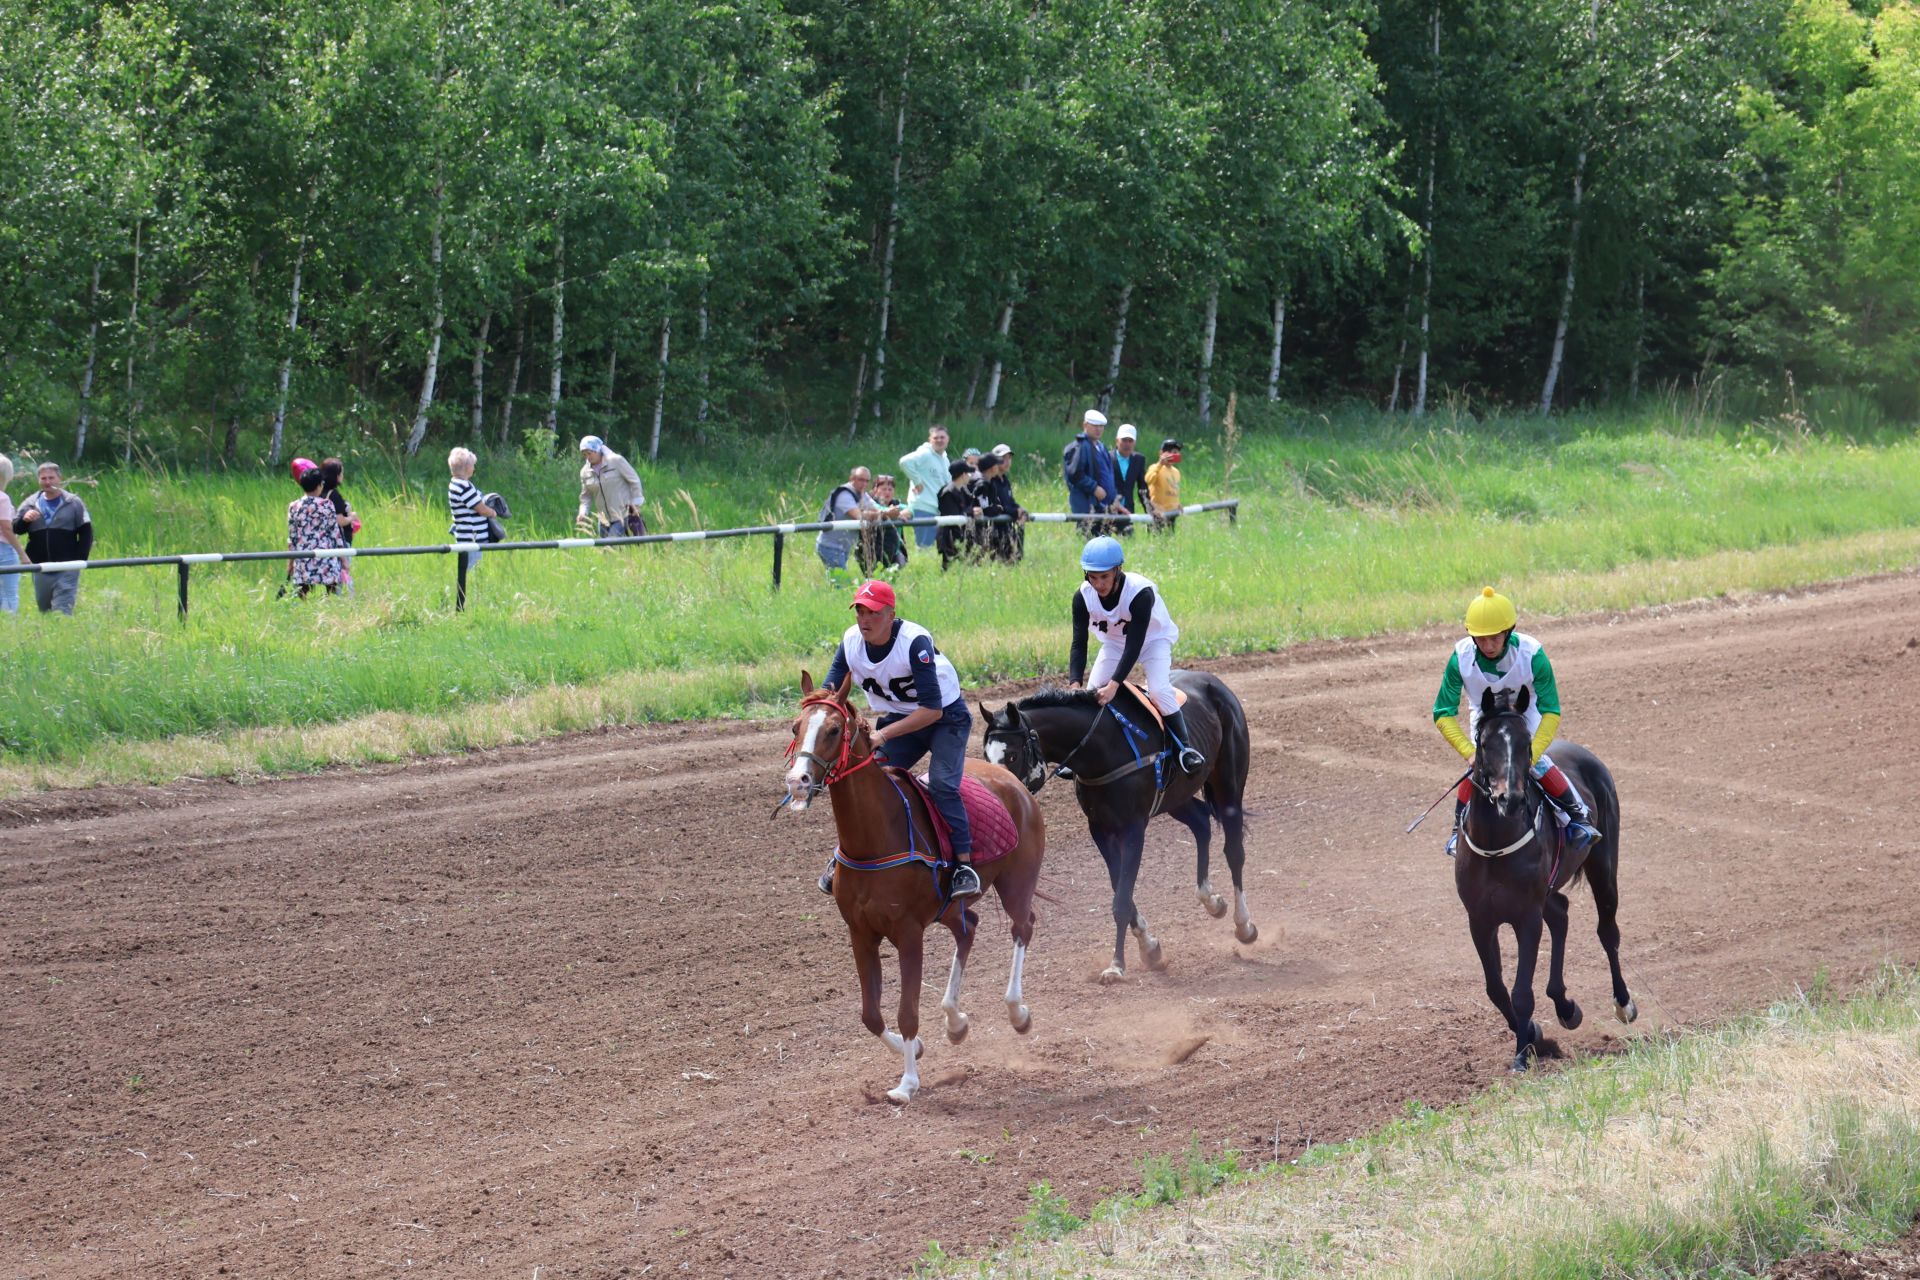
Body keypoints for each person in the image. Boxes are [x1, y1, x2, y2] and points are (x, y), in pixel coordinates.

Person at [817, 578, 979, 899]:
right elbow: (829, 693)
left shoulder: (914, 642)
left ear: (891, 615)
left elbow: (931, 711)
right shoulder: (850, 642)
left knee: (944, 784)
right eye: (860, 611)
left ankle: (963, 865)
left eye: (874, 613)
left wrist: (881, 735)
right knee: (864, 778)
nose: (865, 619)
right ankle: (844, 857)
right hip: (900, 719)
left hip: (945, 718)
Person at [1432, 587, 1600, 858]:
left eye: (1495, 638)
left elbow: (1551, 710)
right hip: (1485, 713)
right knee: (1480, 767)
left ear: (1508, 632)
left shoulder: (1532, 654)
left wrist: (1533, 751)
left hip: (1526, 710)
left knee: (1538, 764)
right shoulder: (1459, 658)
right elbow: (1442, 712)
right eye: (1481, 639)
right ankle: (1456, 831)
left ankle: (1578, 816)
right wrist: (1469, 751)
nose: (1488, 645)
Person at [1069, 535, 1205, 773]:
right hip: (1114, 642)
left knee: (1159, 690)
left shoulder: (1139, 592)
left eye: (1104, 577)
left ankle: (1185, 749)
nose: (1098, 584)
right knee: (1090, 694)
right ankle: (1086, 754)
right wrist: (1074, 683)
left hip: (1153, 641)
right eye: (1093, 577)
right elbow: (1079, 643)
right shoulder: (1082, 597)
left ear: (1118, 570)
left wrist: (1114, 685)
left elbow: (1135, 644)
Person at [13, 462, 92, 615]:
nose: (48, 482)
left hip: (67, 565)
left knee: (62, 610)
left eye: (51, 478)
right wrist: (25, 520)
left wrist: (79, 562)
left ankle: (66, 634)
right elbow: (16, 528)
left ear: (59, 478)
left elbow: (86, 533)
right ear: (38, 480)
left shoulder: (73, 502)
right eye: (43, 478)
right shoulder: (30, 503)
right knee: (45, 610)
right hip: (40, 566)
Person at [815, 466, 885, 583]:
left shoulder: (862, 494)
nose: (864, 484)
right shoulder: (844, 494)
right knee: (842, 584)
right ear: (852, 478)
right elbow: (858, 516)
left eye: (867, 481)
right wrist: (881, 514)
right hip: (830, 546)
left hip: (841, 547)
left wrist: (894, 511)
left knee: (835, 581)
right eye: (861, 480)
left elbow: (877, 508)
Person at [287, 465, 347, 598]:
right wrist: (343, 559)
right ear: (320, 485)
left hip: (303, 559)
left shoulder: (294, 506)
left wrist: (290, 563)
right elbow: (335, 534)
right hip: (326, 559)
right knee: (332, 596)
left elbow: (292, 538)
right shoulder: (327, 505)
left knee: (302, 595)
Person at [575, 435, 646, 537]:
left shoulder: (616, 461)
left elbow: (634, 481)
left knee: (611, 545)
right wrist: (582, 512)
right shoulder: (584, 472)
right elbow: (586, 496)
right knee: (607, 550)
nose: (587, 457)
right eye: (584, 454)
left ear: (598, 450)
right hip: (603, 519)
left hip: (623, 514)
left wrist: (636, 504)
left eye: (589, 453)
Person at [1062, 409, 1117, 538]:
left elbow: (1108, 475)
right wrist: (1094, 488)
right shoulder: (1079, 446)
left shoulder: (1101, 447)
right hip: (1087, 506)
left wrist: (1113, 499)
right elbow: (1074, 474)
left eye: (1101, 426)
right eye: (1095, 426)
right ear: (1085, 425)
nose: (1098, 429)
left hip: (1103, 507)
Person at [898, 425, 951, 551]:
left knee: (935, 549)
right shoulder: (925, 453)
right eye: (935, 438)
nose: (939, 440)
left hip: (937, 509)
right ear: (930, 439)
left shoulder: (945, 458)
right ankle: (919, 569)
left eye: (942, 437)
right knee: (924, 547)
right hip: (923, 507)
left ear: (948, 439)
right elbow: (904, 462)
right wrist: (917, 481)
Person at [446, 447, 497, 575]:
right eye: (473, 465)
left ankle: (459, 592)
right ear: (467, 467)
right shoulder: (464, 486)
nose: (474, 468)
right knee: (469, 572)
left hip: (466, 536)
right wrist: (492, 512)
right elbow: (480, 509)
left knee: (468, 570)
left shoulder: (455, 483)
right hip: (472, 538)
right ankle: (458, 593)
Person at [977, 446, 1027, 563]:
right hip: (992, 529)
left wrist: (1019, 509)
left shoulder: (1004, 480)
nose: (1007, 462)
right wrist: (1014, 512)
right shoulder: (989, 482)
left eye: (1009, 458)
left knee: (1012, 562)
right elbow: (994, 506)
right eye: (1003, 458)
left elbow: (1009, 501)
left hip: (1007, 528)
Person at [319, 458, 359, 594]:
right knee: (343, 570)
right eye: (341, 473)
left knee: (334, 573)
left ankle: (335, 596)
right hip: (339, 541)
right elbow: (339, 520)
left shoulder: (320, 493)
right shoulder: (333, 495)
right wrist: (352, 517)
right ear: (336, 475)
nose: (342, 476)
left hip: (325, 540)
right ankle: (342, 598)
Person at [858, 474, 910, 577]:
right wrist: (890, 513)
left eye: (890, 489)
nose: (887, 492)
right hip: (874, 550)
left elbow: (911, 508)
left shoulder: (896, 504)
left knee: (895, 574)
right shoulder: (869, 504)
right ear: (875, 490)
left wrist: (902, 513)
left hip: (895, 550)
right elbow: (876, 511)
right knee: (876, 577)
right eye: (884, 489)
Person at [935, 458, 983, 570]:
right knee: (949, 569)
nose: (970, 476)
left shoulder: (963, 489)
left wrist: (976, 510)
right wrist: (971, 512)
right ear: (962, 475)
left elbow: (970, 504)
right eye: (968, 473)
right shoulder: (948, 492)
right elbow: (953, 516)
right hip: (950, 538)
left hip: (962, 537)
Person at [1111, 425, 1148, 536]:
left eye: (1130, 441)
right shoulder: (1107, 458)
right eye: (1124, 440)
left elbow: (1143, 488)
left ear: (1134, 442)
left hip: (1127, 510)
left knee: (1127, 542)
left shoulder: (1139, 460)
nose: (1127, 444)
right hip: (1108, 509)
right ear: (1117, 441)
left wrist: (1149, 509)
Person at [0, 454, 26, 614]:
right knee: (9, 594)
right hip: (4, 550)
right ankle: (10, 628)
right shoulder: (2, 498)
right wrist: (22, 553)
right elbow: (6, 528)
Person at [1143, 438, 1184, 533]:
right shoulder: (1155, 468)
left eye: (1177, 453)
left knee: (1169, 538)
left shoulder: (1176, 472)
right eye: (1173, 452)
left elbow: (1174, 490)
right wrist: (1160, 464)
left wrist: (1177, 504)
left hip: (1172, 512)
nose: (1175, 455)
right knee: (1156, 536)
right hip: (1158, 513)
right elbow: (1148, 480)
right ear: (1162, 453)